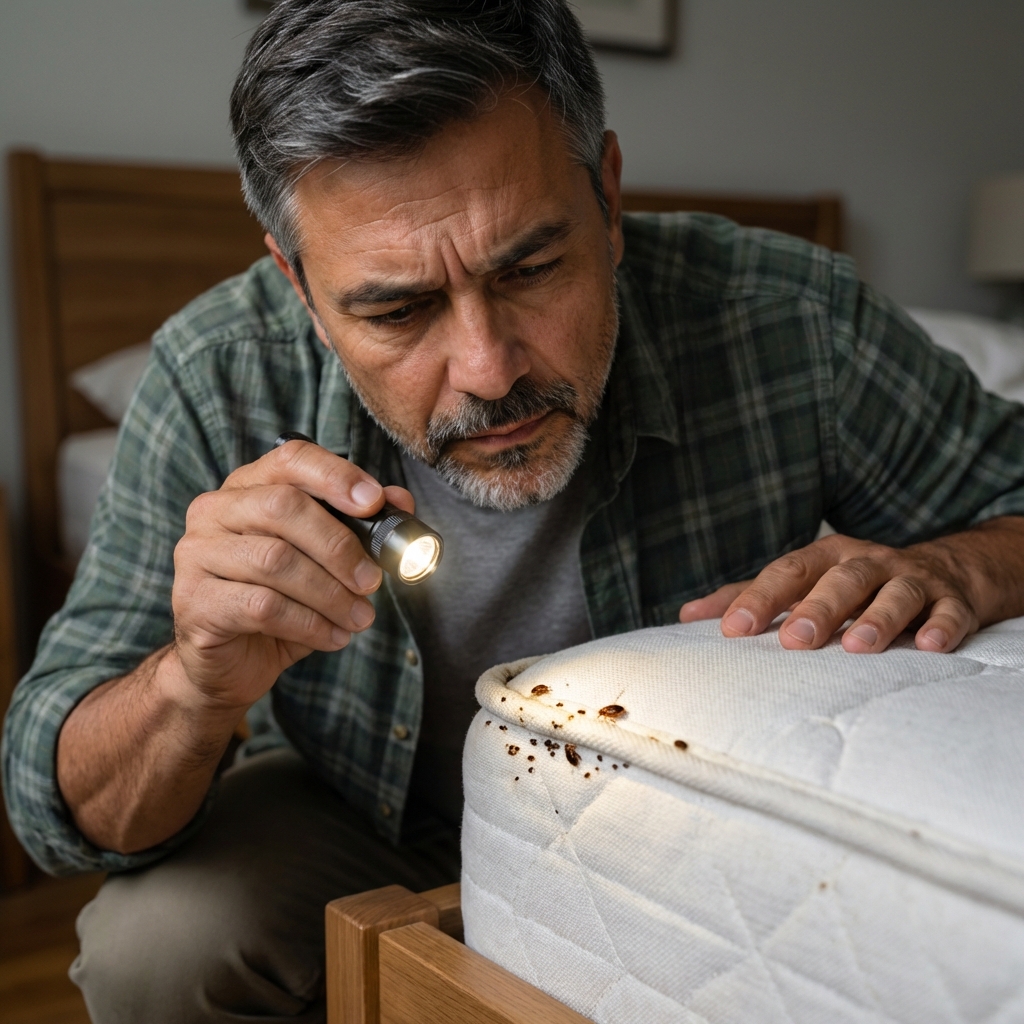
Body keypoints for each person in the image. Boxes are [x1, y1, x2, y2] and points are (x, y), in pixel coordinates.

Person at [4, 0, 1024, 1020]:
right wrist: (192, 682)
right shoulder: (213, 374)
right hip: (354, 809)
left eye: (531, 269)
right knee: (157, 947)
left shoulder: (788, 321)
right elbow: (51, 805)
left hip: (671, 811)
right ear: (301, 290)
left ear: (610, 199)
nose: (487, 372)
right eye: (397, 309)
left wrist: (960, 565)